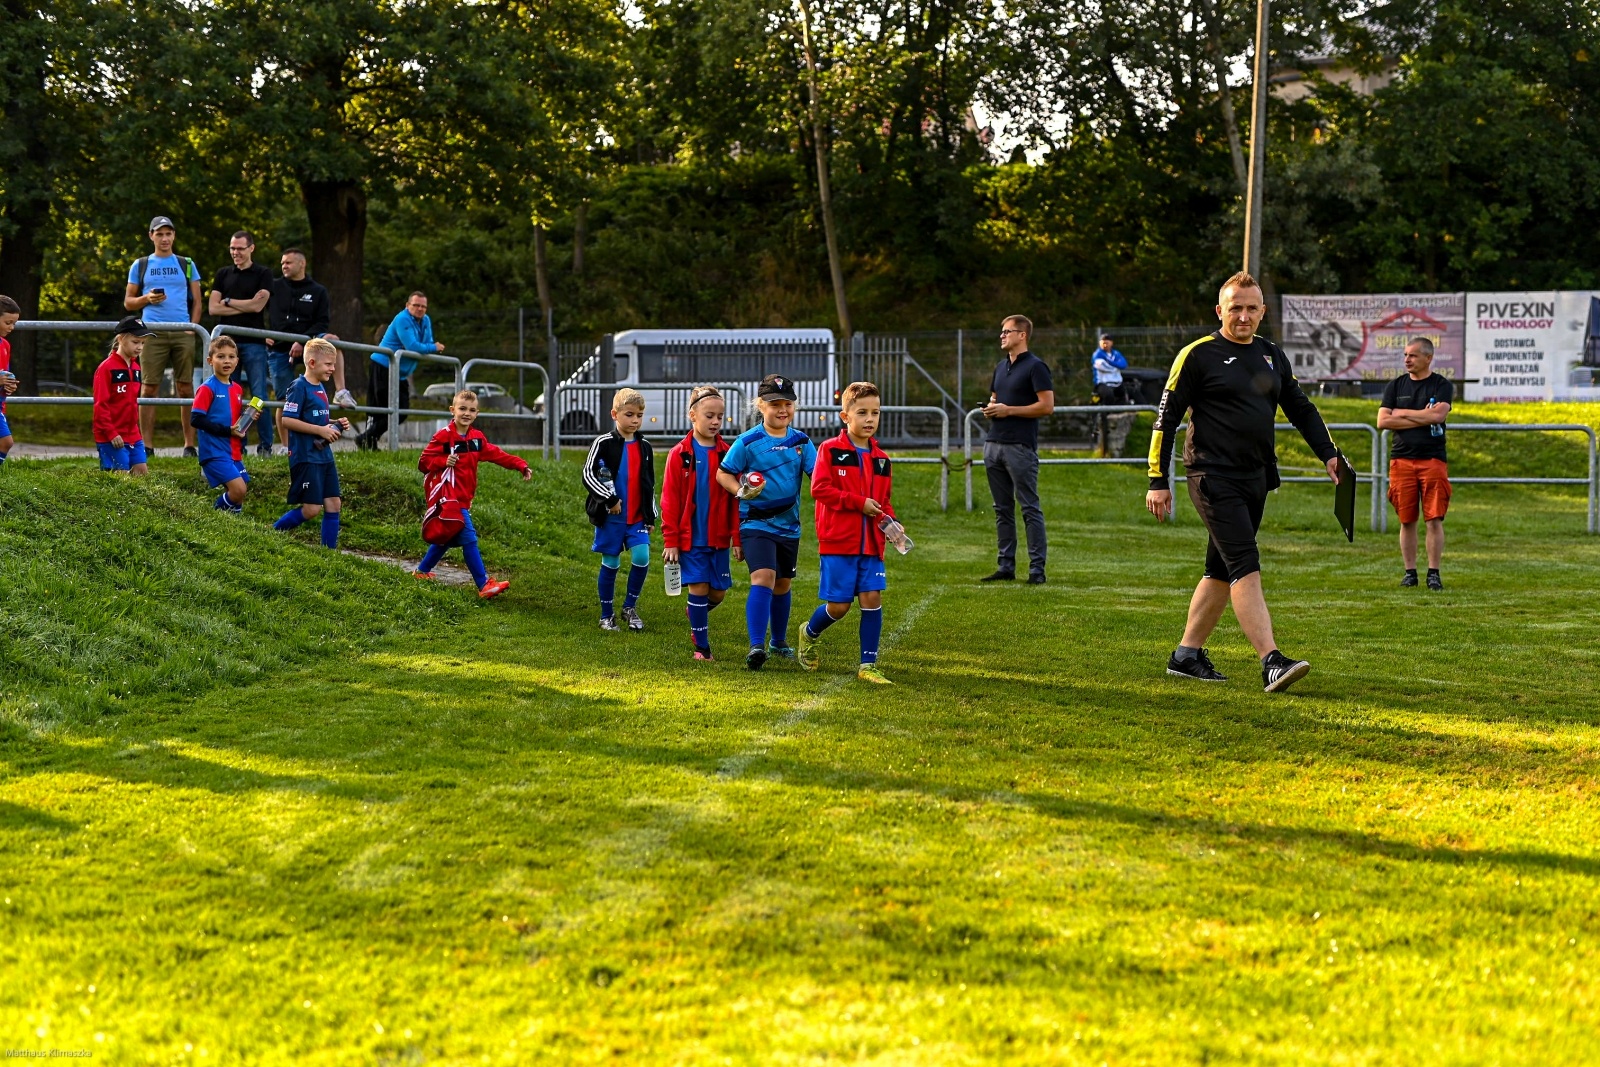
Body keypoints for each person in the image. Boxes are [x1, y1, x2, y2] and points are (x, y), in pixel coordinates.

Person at [1145, 271, 1341, 693]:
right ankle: (1271, 660)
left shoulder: (1271, 355)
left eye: (1252, 308)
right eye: (1235, 308)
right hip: (1212, 476)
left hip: (1256, 477)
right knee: (1245, 564)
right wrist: (1157, 479)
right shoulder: (1197, 356)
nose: (1244, 316)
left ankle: (1186, 655)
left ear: (1263, 312)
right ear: (1220, 310)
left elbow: (1301, 408)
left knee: (1220, 569)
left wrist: (1329, 453)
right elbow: (1166, 420)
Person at [796, 381, 901, 684]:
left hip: (871, 543)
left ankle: (868, 666)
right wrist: (858, 503)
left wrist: (892, 522)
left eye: (876, 413)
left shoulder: (882, 458)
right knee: (839, 607)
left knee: (872, 598)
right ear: (845, 416)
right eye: (862, 412)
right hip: (839, 543)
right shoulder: (830, 450)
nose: (870, 419)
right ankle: (809, 632)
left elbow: (884, 502)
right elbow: (820, 489)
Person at [717, 374, 818, 670]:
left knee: (783, 583)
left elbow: (819, 478)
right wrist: (741, 491)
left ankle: (779, 641)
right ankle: (756, 646)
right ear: (761, 405)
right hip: (755, 524)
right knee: (763, 578)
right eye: (775, 404)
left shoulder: (801, 441)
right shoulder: (747, 442)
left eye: (787, 403)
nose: (782, 409)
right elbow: (723, 474)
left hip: (789, 527)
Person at [414, 390, 529, 599]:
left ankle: (421, 571)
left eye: (472, 410)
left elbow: (497, 454)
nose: (466, 413)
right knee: (469, 538)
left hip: (464, 499)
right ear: (453, 410)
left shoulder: (477, 439)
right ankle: (484, 584)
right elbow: (423, 463)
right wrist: (442, 461)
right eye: (462, 409)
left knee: (447, 536)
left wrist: (520, 465)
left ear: (477, 413)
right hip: (449, 499)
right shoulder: (443, 437)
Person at [659, 386, 742, 660]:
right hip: (690, 538)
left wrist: (737, 539)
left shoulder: (728, 454)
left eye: (720, 416)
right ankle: (702, 649)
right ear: (692, 416)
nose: (716, 422)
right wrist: (671, 540)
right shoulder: (679, 454)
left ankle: (695, 612)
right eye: (710, 416)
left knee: (717, 593)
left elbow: (735, 500)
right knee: (699, 588)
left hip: (718, 538)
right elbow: (669, 500)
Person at [981, 314, 1054, 584]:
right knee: (1001, 509)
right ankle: (1006, 566)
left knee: (1029, 508)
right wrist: (991, 407)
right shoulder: (1000, 367)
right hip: (994, 444)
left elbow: (1046, 406)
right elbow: (995, 398)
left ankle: (1037, 571)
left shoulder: (1036, 367)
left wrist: (1008, 410)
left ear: (1022, 335)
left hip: (1020, 448)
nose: (1002, 335)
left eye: (1007, 331)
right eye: (1001, 331)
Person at [122, 216, 201, 455]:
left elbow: (198, 301)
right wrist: (147, 299)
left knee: (186, 388)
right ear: (151, 236)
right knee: (148, 389)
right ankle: (146, 445)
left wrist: (193, 327)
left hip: (181, 331)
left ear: (174, 236)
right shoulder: (141, 264)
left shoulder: (186, 263)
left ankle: (189, 444)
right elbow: (128, 302)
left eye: (168, 233)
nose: (164, 238)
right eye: (159, 234)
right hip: (151, 331)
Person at [1377, 337, 1452, 590]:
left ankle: (1434, 573)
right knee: (1406, 520)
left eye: (1413, 355)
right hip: (1401, 460)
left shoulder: (1441, 385)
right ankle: (1410, 573)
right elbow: (1383, 421)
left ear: (1428, 358)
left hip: (1432, 460)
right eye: (1406, 355)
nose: (1407, 360)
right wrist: (1423, 417)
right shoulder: (1396, 386)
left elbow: (1439, 415)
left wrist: (1402, 413)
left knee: (1434, 519)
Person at [583, 388, 655, 632]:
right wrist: (609, 499)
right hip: (611, 518)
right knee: (611, 563)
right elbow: (588, 474)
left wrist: (650, 514)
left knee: (642, 557)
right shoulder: (603, 443)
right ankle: (606, 615)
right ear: (615, 414)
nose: (635, 420)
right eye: (629, 414)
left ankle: (629, 607)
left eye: (640, 415)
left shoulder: (645, 446)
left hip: (637, 518)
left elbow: (649, 484)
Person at [266, 249, 352, 442]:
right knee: (283, 401)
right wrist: (262, 334)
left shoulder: (318, 290)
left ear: (301, 264)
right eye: (282, 263)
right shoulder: (273, 286)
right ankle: (286, 447)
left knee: (333, 339)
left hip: (310, 343)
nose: (284, 266)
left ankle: (341, 391)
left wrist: (303, 340)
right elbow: (257, 309)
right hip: (279, 348)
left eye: (288, 262)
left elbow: (322, 322)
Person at [273, 338, 351, 548]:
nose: (333, 369)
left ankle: (329, 553)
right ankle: (272, 533)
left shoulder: (321, 387)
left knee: (334, 504)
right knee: (311, 509)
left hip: (324, 456)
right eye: (328, 364)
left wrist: (335, 423)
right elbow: (287, 420)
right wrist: (322, 431)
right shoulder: (299, 386)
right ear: (312, 363)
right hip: (306, 456)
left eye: (334, 365)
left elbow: (317, 418)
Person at [207, 231, 276, 457]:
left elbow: (258, 306)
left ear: (251, 249)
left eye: (240, 248)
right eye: (232, 248)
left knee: (258, 396)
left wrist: (229, 301)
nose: (235, 253)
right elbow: (213, 308)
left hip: (255, 344)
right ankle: (238, 446)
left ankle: (265, 446)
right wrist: (243, 304)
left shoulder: (263, 273)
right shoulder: (223, 273)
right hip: (227, 345)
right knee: (230, 396)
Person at [362, 291, 445, 451]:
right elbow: (413, 346)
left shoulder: (426, 320)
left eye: (423, 306)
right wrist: (433, 347)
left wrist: (428, 346)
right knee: (380, 408)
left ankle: (366, 438)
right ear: (408, 306)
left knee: (402, 410)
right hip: (383, 365)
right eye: (416, 305)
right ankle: (368, 443)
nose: (420, 309)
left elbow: (425, 342)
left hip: (400, 371)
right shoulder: (402, 319)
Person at [188, 335, 251, 514]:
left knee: (240, 491)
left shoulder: (237, 389)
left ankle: (235, 527)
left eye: (231, 357)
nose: (226, 361)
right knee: (238, 489)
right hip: (214, 452)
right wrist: (226, 431)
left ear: (237, 361)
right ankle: (212, 517)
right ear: (210, 360)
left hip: (233, 451)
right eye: (220, 356)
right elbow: (196, 419)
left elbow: (233, 420)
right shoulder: (207, 388)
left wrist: (249, 416)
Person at [93, 317, 152, 476]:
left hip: (133, 434)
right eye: (135, 342)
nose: (140, 347)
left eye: (143, 343)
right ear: (120, 339)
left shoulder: (136, 368)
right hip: (111, 435)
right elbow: (100, 406)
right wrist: (111, 433)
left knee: (142, 474)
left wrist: (136, 431)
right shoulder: (106, 368)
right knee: (120, 479)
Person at [1091, 333, 1129, 457]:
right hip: (1102, 383)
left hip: (1116, 382)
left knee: (1124, 394)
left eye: (1107, 341)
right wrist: (1114, 365)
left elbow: (1123, 364)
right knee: (1108, 395)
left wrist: (1112, 364)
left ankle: (1120, 416)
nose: (1105, 344)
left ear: (1112, 343)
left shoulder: (1116, 353)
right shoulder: (1097, 354)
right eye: (1102, 342)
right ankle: (1105, 417)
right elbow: (1103, 366)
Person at [0, 295, 21, 467]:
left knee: (5, 443)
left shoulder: (5, 345)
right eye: (8, 323)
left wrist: (9, 384)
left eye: (14, 323)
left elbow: (4, 374)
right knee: (6, 442)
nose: (12, 327)